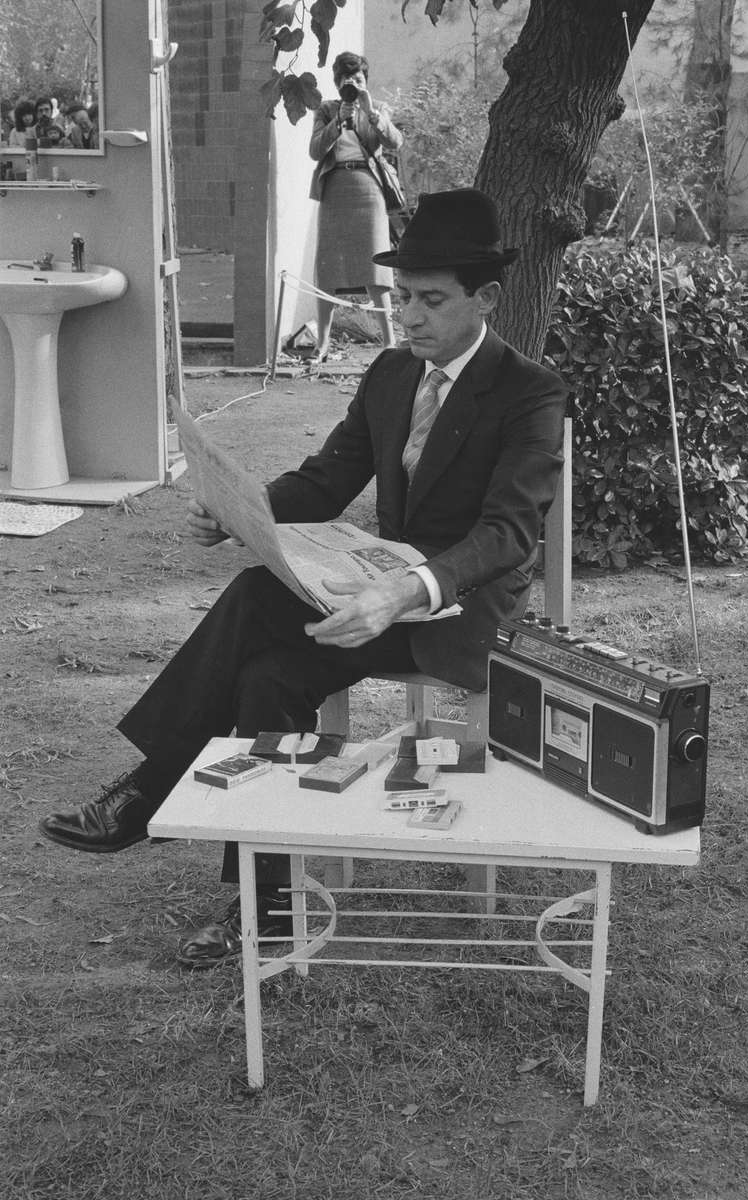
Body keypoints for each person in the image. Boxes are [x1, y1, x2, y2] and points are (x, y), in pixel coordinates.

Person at [39, 188, 567, 970]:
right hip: (368, 596)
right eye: (401, 297)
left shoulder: (530, 390)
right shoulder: (391, 373)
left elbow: (507, 534)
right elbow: (326, 482)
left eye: (430, 300)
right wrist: (242, 511)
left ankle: (153, 788)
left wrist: (407, 589)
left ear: (485, 297)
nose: (409, 317)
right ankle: (267, 901)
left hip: (459, 610)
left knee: (258, 607)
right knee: (268, 675)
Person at [309, 51, 402, 361]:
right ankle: (322, 342)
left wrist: (370, 110)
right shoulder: (327, 109)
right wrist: (338, 120)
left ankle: (388, 343)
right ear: (338, 83)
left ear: (366, 81)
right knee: (329, 267)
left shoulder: (376, 108)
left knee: (376, 265)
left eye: (359, 80)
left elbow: (395, 142)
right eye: (347, 81)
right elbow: (315, 150)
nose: (353, 85)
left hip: (368, 188)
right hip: (335, 188)